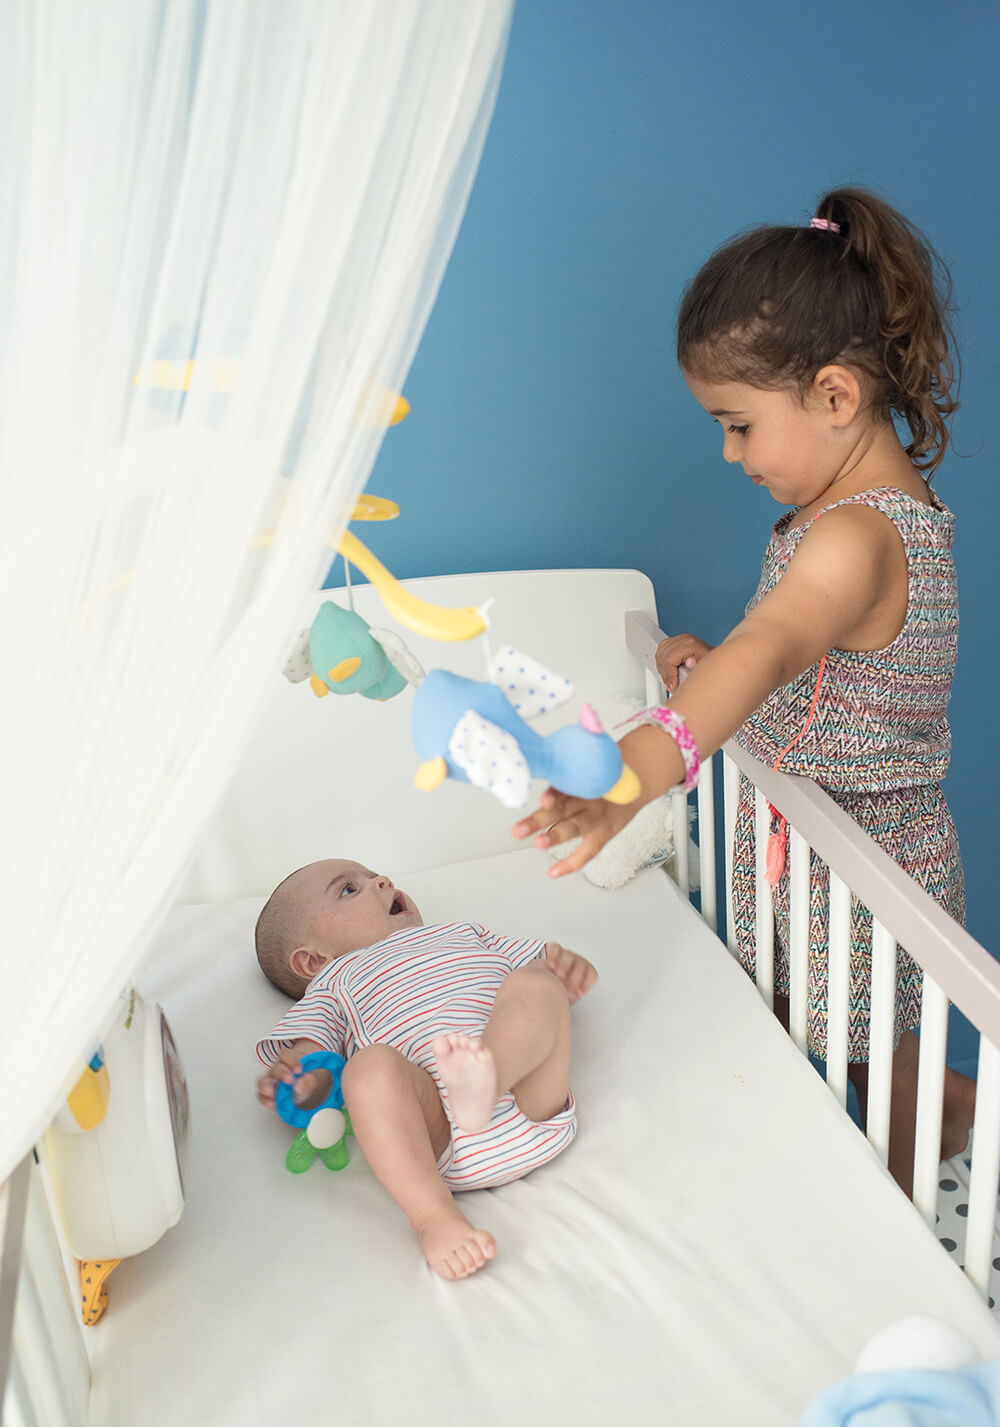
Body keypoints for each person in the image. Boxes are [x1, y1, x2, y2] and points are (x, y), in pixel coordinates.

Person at [513, 186, 973, 1195]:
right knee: (853, 1051)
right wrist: (702, 664)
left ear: (835, 395)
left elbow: (770, 648)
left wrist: (633, 773)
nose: (727, 454)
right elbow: (810, 668)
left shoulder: (854, 534)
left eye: (736, 424)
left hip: (868, 881)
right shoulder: (863, 512)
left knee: (887, 1084)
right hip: (820, 855)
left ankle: (917, 1230)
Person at [254, 858, 597, 1280]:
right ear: (312, 961)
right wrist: (297, 1082)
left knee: (535, 984)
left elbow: (546, 966)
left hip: (532, 1093)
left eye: (373, 876)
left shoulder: (462, 933)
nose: (380, 881)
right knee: (367, 1068)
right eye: (348, 890)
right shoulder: (335, 980)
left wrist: (567, 969)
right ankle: (434, 1217)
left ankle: (489, 1081)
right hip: (437, 1131)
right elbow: (317, 1069)